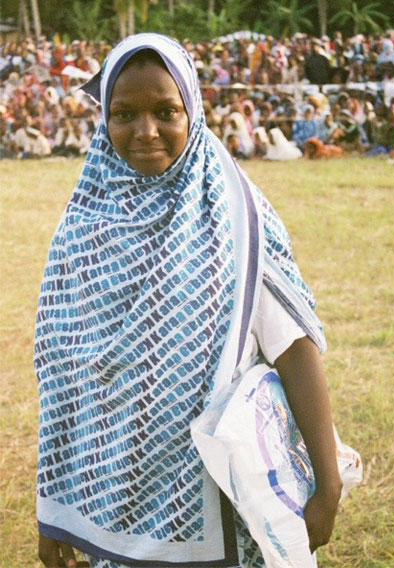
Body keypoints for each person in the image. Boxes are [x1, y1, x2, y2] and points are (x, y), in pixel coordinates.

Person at [35, 33, 342, 568]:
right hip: (115, 502)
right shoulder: (83, 227)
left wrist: (328, 482)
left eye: (165, 111)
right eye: (124, 113)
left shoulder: (237, 220)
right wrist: (61, 511)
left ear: (193, 112)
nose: (145, 131)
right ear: (103, 120)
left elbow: (293, 350)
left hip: (220, 497)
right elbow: (66, 380)